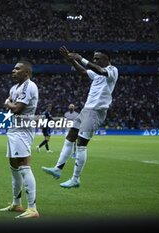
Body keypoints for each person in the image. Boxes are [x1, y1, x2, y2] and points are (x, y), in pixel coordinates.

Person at [42, 46, 119, 189]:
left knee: (81, 145)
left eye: (97, 58)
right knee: (70, 137)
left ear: (107, 59)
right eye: (94, 58)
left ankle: (75, 179)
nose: (95, 60)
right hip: (86, 109)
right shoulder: (96, 73)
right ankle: (58, 169)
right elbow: (83, 72)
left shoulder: (112, 70)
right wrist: (71, 60)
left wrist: (81, 59)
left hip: (96, 111)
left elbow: (100, 70)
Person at [0, 61, 40, 218]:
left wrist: (8, 103)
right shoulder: (14, 88)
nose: (13, 70)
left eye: (17, 68)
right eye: (13, 67)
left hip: (23, 129)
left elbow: (16, 108)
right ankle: (16, 204)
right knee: (13, 165)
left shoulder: (30, 86)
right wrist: (10, 103)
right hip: (14, 128)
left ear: (26, 73)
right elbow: (11, 105)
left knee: (24, 165)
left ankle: (33, 208)